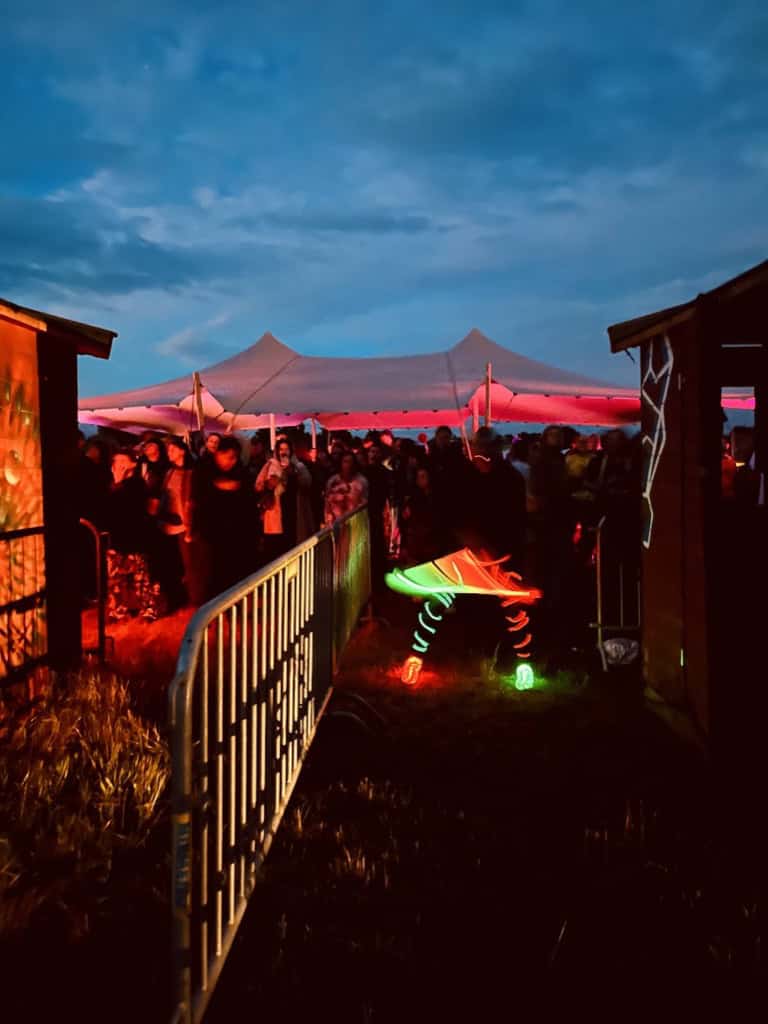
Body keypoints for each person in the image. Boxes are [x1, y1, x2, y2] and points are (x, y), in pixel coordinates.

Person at [105, 449, 160, 621]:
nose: (119, 464)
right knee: (116, 578)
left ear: (132, 464)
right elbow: (106, 508)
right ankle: (118, 609)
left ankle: (148, 608)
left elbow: (132, 507)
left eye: (123, 460)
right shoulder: (110, 484)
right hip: (116, 538)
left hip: (136, 537)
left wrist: (118, 483)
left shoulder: (137, 484)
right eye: (116, 461)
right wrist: (116, 483)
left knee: (141, 577)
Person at [196, 436, 254, 597]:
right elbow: (199, 499)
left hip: (236, 534)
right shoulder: (205, 470)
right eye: (228, 457)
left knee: (234, 573)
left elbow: (249, 504)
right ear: (218, 454)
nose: (231, 462)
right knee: (214, 572)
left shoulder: (242, 473)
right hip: (212, 533)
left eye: (234, 457)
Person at [157, 437, 204, 609]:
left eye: (172, 449)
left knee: (190, 564)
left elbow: (193, 501)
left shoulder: (192, 473)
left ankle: (196, 599)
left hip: (185, 525)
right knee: (172, 563)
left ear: (182, 451)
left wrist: (190, 523)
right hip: (168, 524)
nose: (169, 453)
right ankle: (177, 597)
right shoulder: (169, 472)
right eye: (168, 450)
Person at [255, 437, 314, 561]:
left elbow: (307, 483)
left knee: (292, 544)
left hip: (294, 511)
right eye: (281, 449)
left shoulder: (299, 466)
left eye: (286, 449)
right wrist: (272, 481)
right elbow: (259, 485)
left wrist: (294, 472)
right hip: (276, 513)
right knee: (276, 548)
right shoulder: (271, 464)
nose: (284, 452)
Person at [324, 451, 369, 525]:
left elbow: (364, 504)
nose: (348, 465)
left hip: (356, 522)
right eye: (345, 462)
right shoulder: (332, 481)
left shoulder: (361, 481)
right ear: (341, 463)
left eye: (351, 462)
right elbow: (327, 503)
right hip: (336, 522)